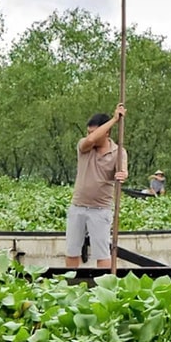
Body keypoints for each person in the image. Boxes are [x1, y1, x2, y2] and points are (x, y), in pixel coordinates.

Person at [66, 104, 127, 270]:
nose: (89, 136)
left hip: (101, 209)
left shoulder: (119, 151)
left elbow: (123, 172)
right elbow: (91, 140)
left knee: (102, 253)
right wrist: (115, 119)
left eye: (93, 132)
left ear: (106, 133)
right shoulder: (84, 147)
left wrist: (122, 176)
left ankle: (103, 287)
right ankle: (71, 286)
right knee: (72, 250)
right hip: (78, 206)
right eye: (88, 132)